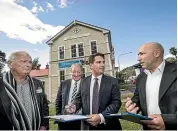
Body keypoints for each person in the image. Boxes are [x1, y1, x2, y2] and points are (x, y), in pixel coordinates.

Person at [125, 42, 177, 130]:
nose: (138, 58)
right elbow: (137, 98)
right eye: (138, 55)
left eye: (142, 54)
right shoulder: (140, 78)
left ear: (157, 53)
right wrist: (132, 106)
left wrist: (167, 121)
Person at [66, 53, 122, 130]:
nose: (102, 65)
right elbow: (78, 99)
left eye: (103, 62)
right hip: (87, 126)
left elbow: (116, 103)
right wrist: (74, 106)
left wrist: (101, 116)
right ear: (91, 65)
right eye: (99, 62)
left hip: (108, 126)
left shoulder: (113, 81)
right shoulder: (83, 82)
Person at [1, 51, 49, 130]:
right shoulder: (2, 85)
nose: (28, 65)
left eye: (30, 62)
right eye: (24, 61)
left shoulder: (37, 83)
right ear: (10, 64)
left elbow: (44, 106)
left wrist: (44, 125)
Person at [55, 64, 83, 130]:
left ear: (82, 72)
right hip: (65, 120)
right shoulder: (64, 84)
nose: (76, 74)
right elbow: (58, 102)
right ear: (70, 72)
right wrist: (59, 117)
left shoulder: (87, 84)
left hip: (81, 122)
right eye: (74, 71)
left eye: (78, 72)